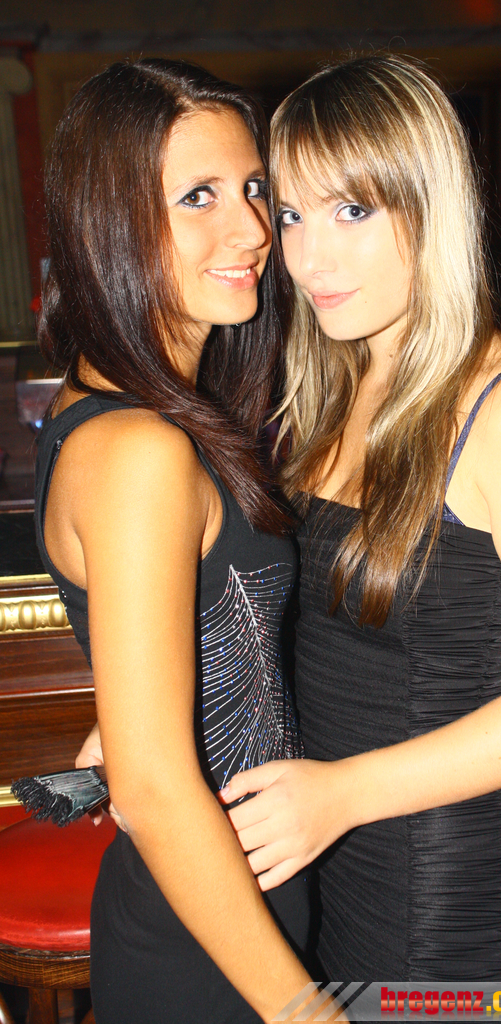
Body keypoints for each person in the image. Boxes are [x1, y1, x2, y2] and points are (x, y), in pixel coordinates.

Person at [223, 54, 501, 983]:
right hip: (336, 852)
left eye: (351, 211)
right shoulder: (336, 380)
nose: (309, 259)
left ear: (431, 207)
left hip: (455, 892)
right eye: (290, 215)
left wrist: (343, 794)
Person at [37, 58, 322, 1024]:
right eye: (198, 196)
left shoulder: (129, 412)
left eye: (253, 188)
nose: (252, 230)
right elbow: (157, 792)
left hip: (236, 908)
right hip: (207, 950)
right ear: (109, 222)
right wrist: (304, 1010)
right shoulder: (139, 450)